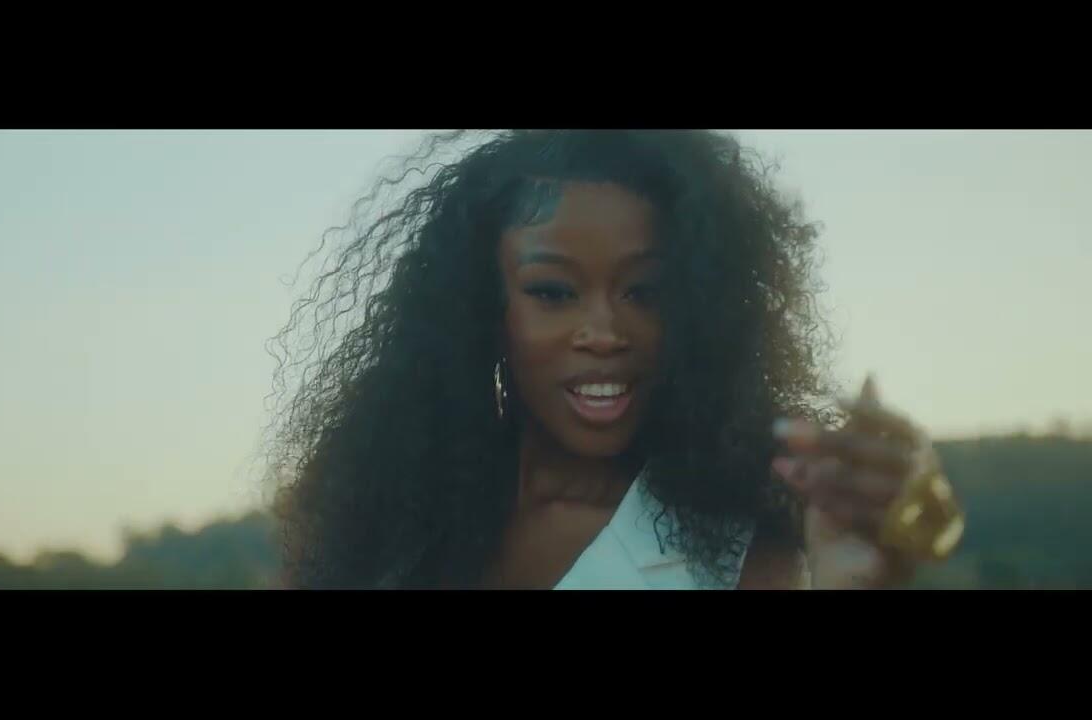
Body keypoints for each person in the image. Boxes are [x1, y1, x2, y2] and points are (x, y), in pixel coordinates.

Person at [264, 129, 964, 590]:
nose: (604, 333)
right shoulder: (382, 520)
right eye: (553, 292)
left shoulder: (743, 555)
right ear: (482, 306)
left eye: (645, 292)